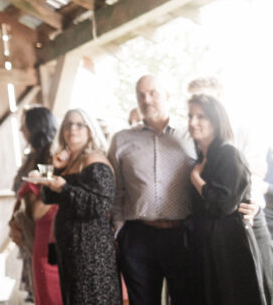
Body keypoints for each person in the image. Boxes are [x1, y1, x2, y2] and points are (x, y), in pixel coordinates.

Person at [108, 75, 199, 305]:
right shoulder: (121, 140)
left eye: (153, 93)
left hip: (183, 235)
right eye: (141, 94)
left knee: (187, 300)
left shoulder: (191, 136)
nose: (146, 99)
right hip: (138, 237)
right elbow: (116, 190)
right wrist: (119, 233)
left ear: (167, 95)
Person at [186, 94, 267, 304]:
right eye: (190, 116)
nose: (193, 122)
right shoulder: (204, 158)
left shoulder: (228, 154)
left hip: (230, 250)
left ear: (216, 120)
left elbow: (222, 204)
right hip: (208, 248)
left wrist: (196, 179)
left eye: (201, 116)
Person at [39, 109, 121, 305]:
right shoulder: (69, 162)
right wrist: (56, 167)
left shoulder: (95, 161)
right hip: (70, 248)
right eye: (68, 124)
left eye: (78, 124)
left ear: (89, 130)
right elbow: (47, 197)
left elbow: (101, 205)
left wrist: (65, 188)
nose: (72, 129)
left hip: (91, 249)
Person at [12, 107, 62, 305]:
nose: (21, 129)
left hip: (45, 228)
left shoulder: (51, 155)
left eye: (25, 124)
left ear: (36, 126)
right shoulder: (32, 156)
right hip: (28, 227)